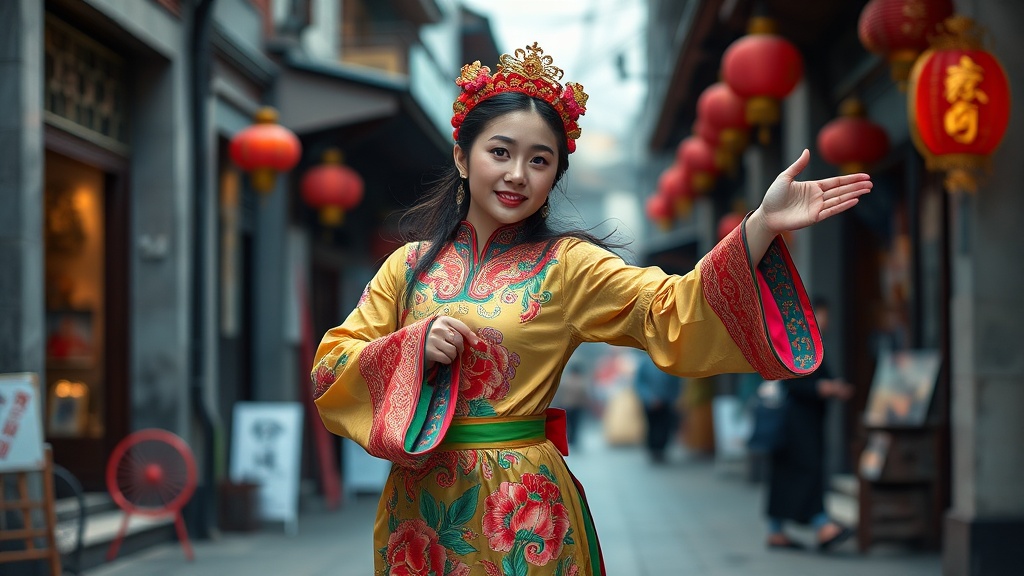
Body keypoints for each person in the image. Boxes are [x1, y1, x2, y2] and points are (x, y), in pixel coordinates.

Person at [311, 42, 872, 575]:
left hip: (523, 511)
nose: (516, 175)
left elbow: (668, 308)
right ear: (462, 156)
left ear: (555, 176)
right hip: (420, 510)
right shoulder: (407, 268)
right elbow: (332, 365)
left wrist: (759, 226)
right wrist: (411, 347)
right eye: (499, 152)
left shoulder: (568, 264)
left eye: (539, 160)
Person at [765, 297, 855, 552]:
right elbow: (791, 382)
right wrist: (823, 388)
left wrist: (831, 387)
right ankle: (821, 524)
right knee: (806, 471)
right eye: (819, 314)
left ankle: (776, 530)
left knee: (788, 474)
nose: (824, 321)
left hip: (801, 423)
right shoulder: (798, 345)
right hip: (797, 423)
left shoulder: (807, 344)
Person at [634, 353, 681, 463]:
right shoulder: (645, 363)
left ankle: (661, 449)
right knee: (652, 426)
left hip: (666, 401)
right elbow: (639, 383)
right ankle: (653, 450)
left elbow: (675, 382)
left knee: (665, 426)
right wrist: (650, 398)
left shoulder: (670, 361)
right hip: (650, 403)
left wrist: (671, 398)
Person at [553, 363, 588, 449]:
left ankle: (567, 441)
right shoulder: (581, 382)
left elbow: (559, 394)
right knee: (575, 425)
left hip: (565, 406)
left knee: (566, 425)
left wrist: (558, 404)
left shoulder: (565, 381)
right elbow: (584, 396)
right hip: (576, 408)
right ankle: (573, 441)